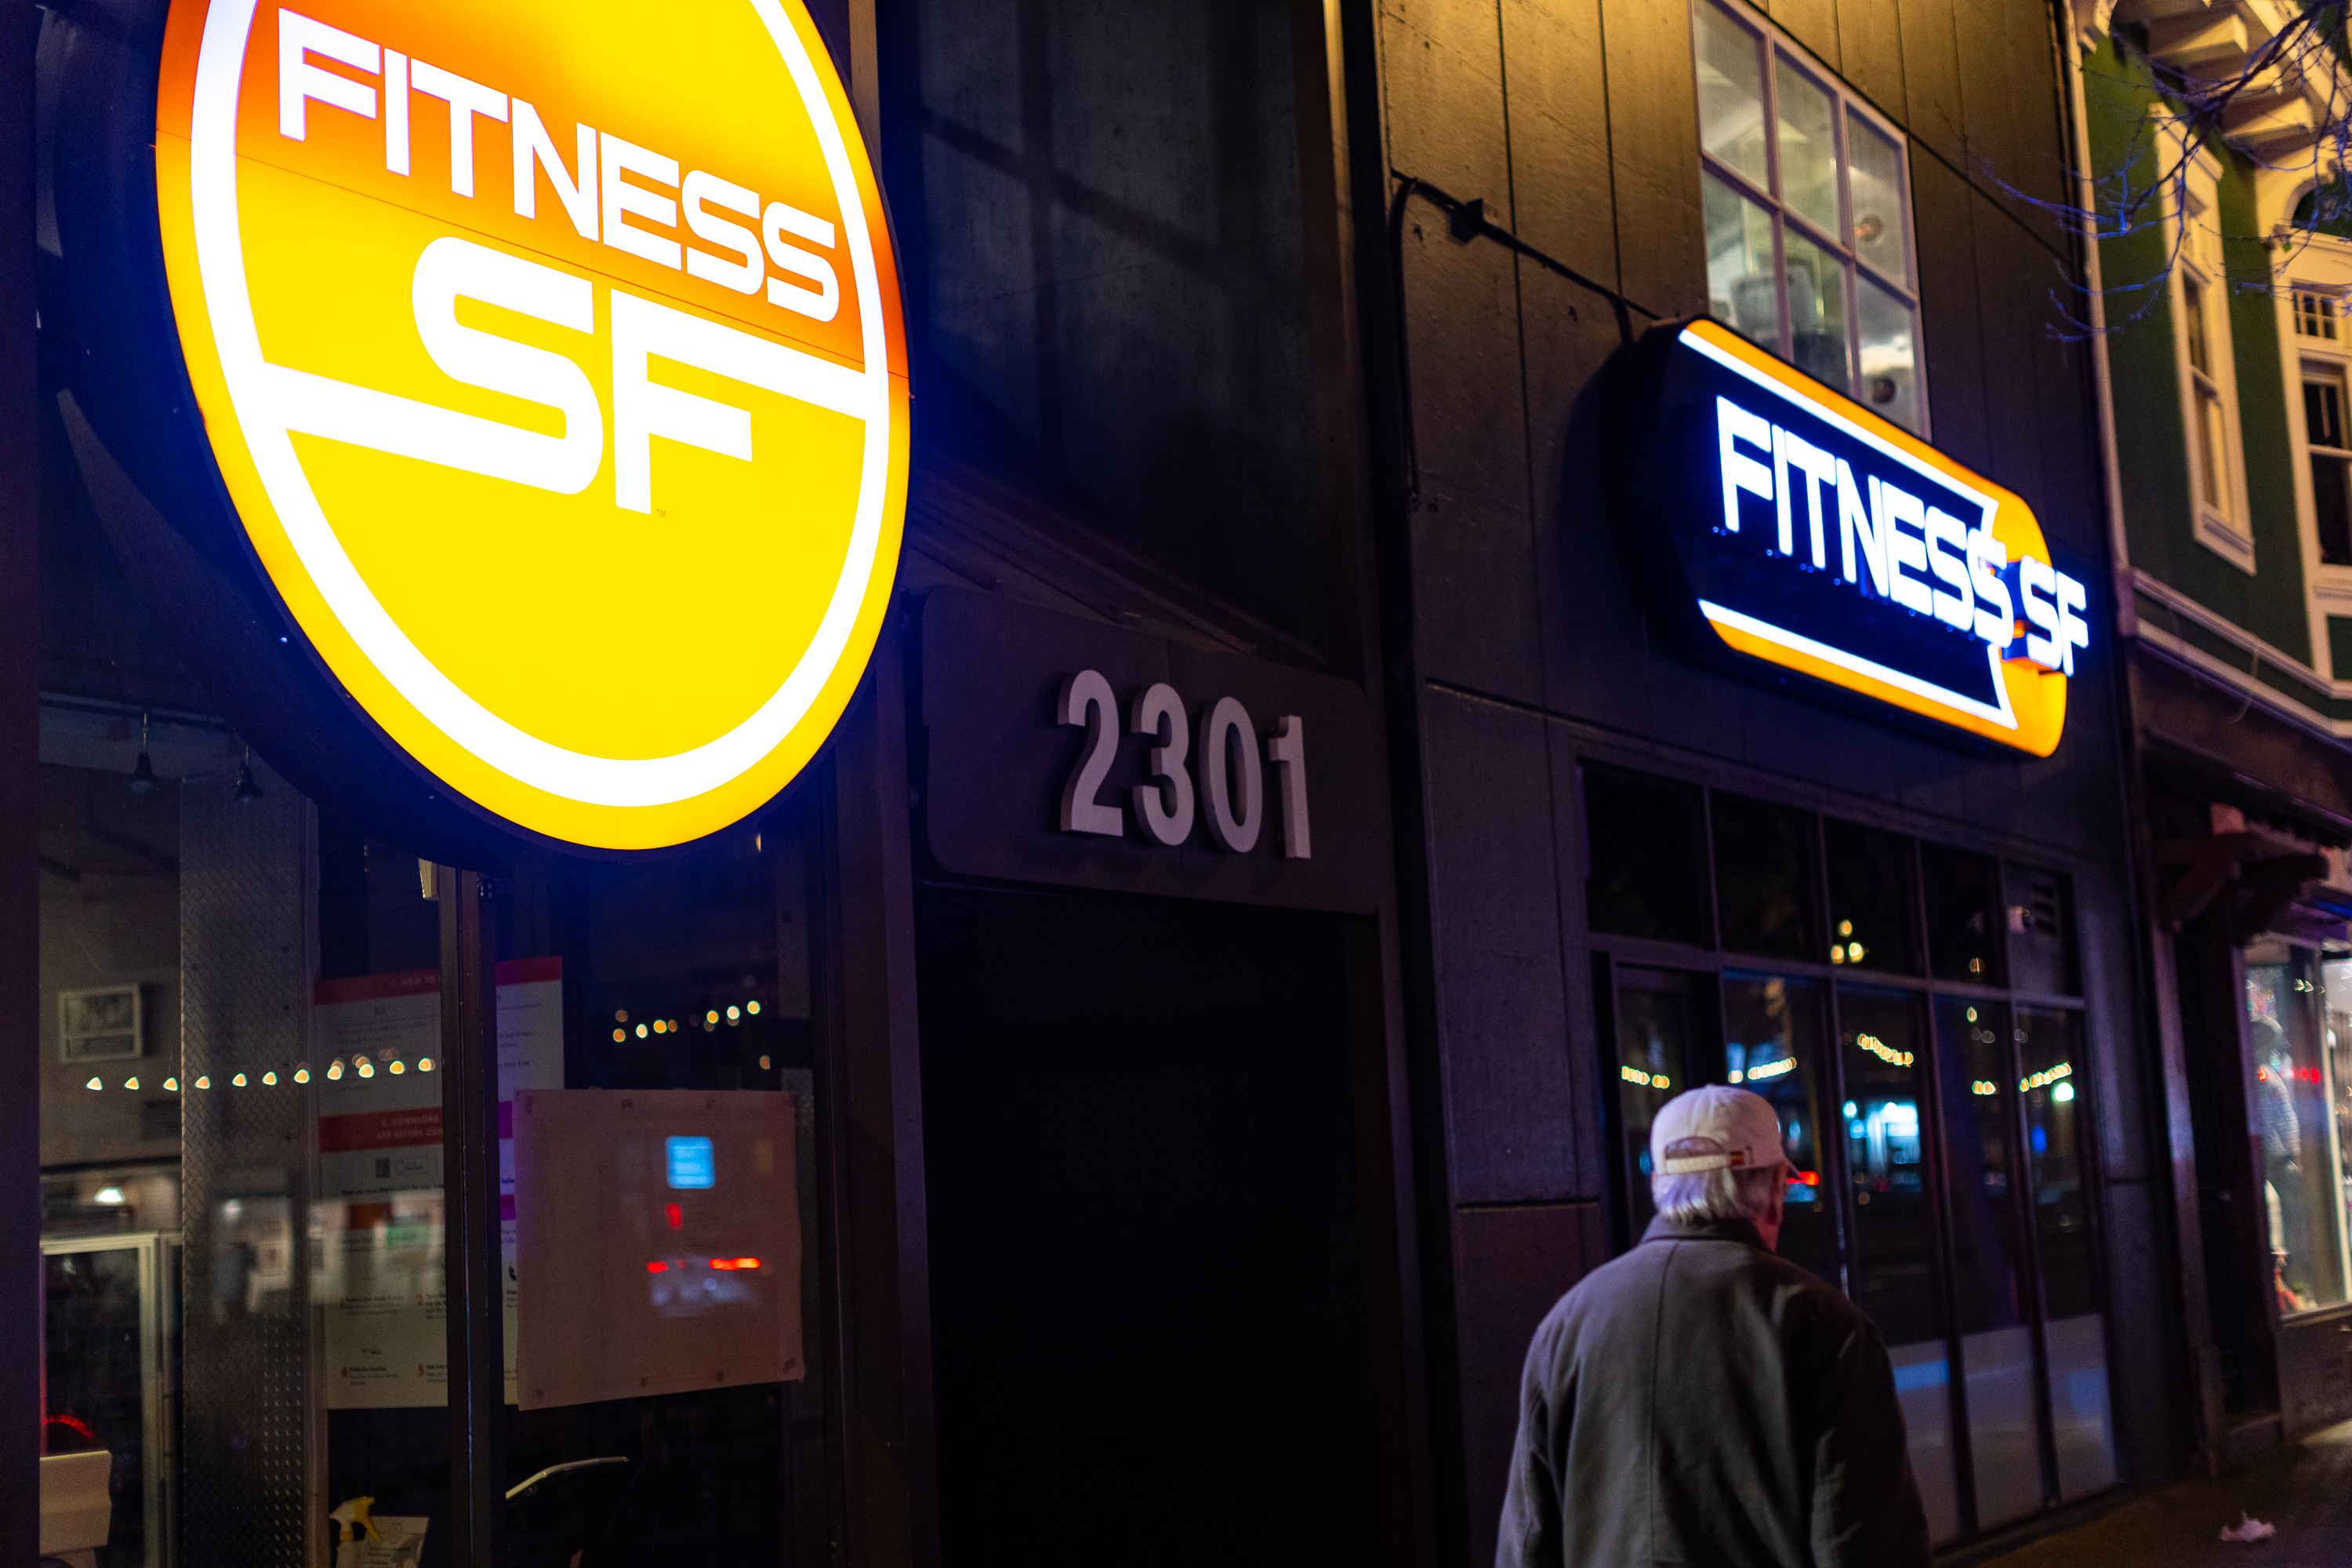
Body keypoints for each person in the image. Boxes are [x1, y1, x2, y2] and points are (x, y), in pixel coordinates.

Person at [1496, 1084, 1929, 1568]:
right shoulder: (1823, 1324)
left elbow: (1529, 1536)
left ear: (1660, 1185)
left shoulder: (1568, 1323)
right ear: (1773, 1193)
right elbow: (1863, 1542)